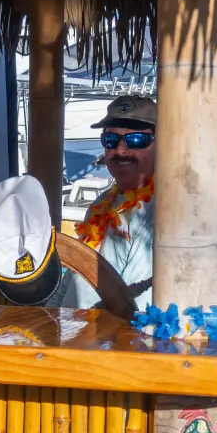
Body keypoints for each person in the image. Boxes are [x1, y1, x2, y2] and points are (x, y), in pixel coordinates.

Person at [69, 94, 158, 310]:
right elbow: (75, 273)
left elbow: (133, 308)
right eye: (110, 140)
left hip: (112, 338)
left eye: (136, 140)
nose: (120, 150)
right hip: (73, 332)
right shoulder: (102, 202)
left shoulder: (163, 212)